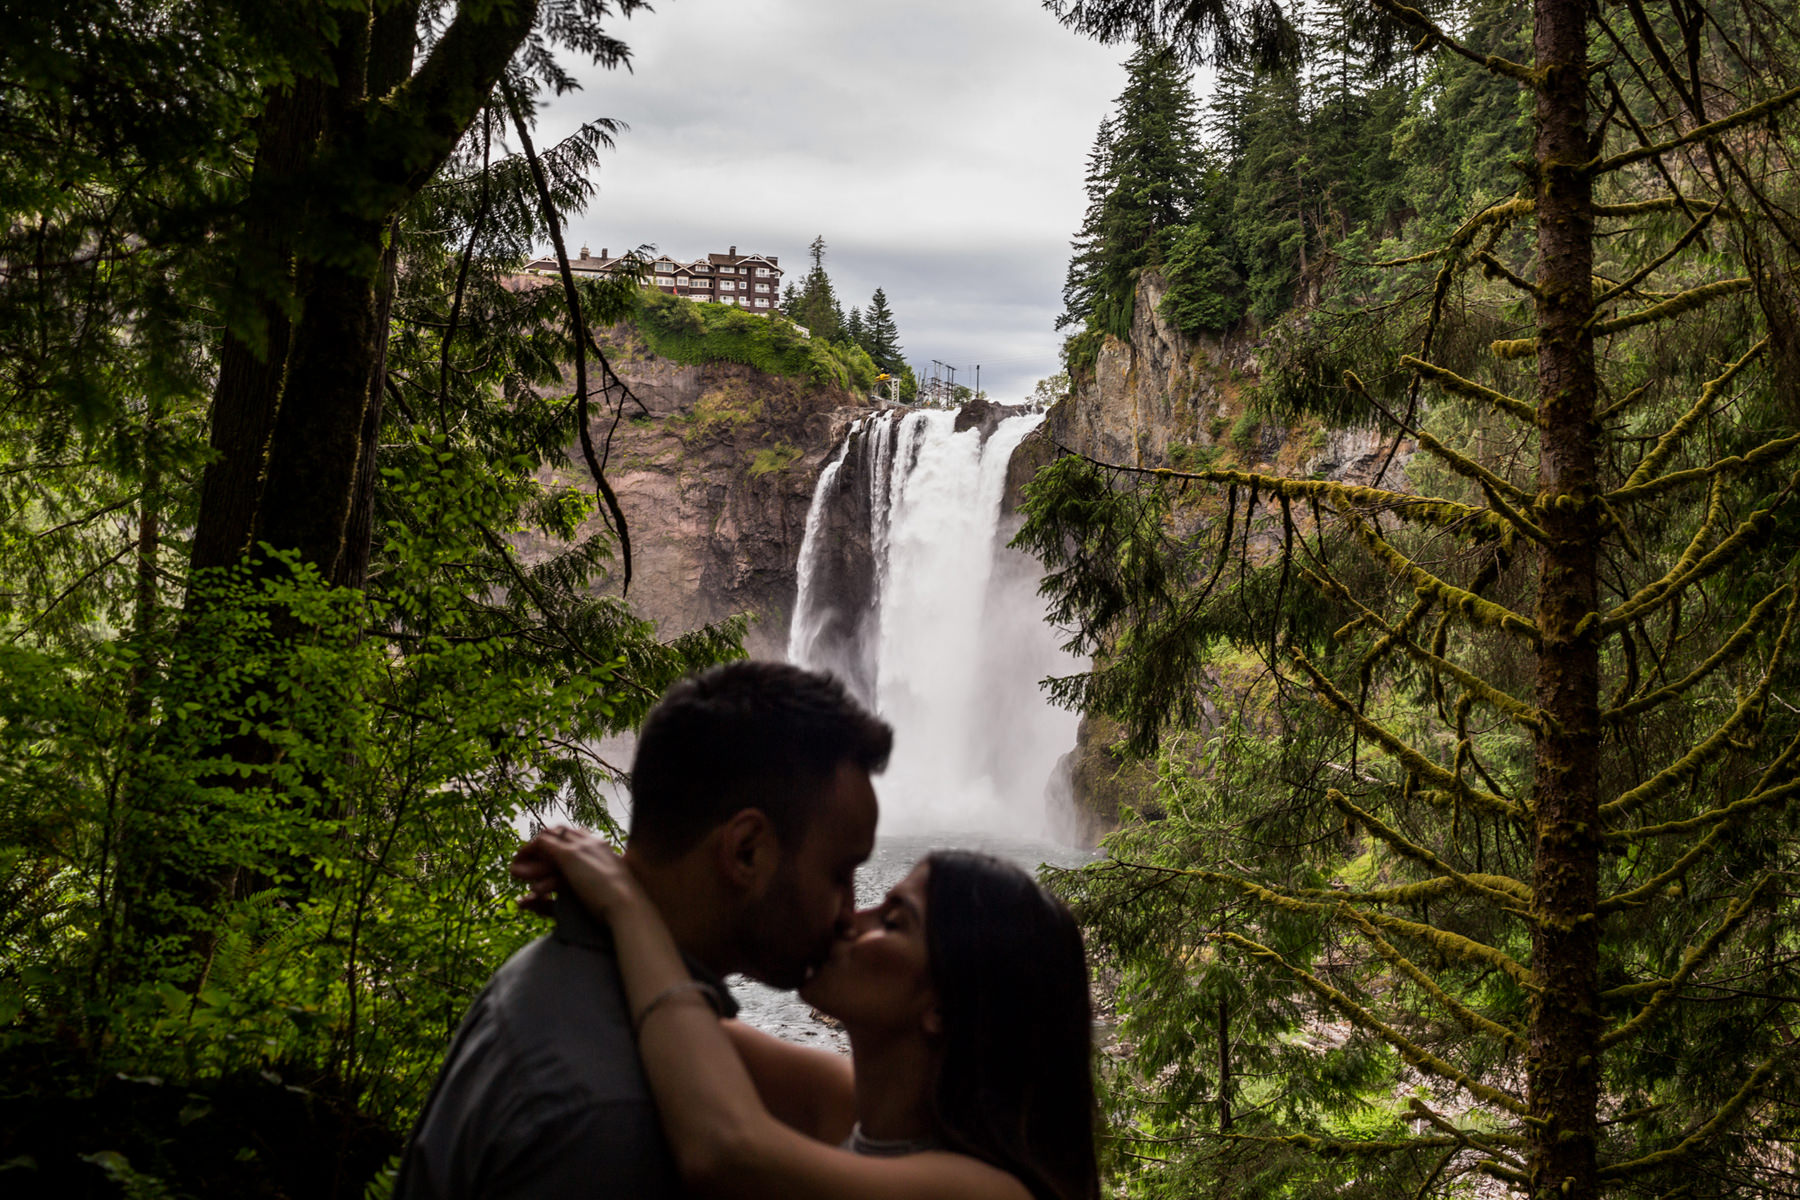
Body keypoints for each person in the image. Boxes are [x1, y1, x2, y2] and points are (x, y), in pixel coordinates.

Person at [394, 661, 894, 1200]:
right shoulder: (617, 1119)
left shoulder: (566, 982)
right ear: (746, 851)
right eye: (840, 873)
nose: (850, 912)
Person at [513, 826, 1101, 1200]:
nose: (851, 917)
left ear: (944, 1006)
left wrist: (625, 907)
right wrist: (626, 887)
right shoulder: (847, 1105)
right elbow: (685, 1031)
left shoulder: (984, 1193)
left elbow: (724, 1151)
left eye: (893, 922)